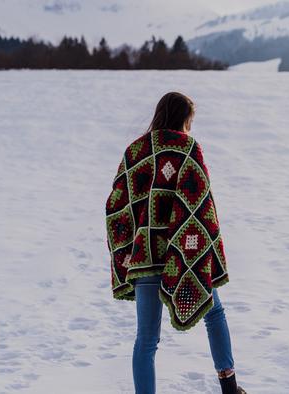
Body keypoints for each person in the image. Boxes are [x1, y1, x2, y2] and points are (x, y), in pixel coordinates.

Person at [105, 92, 245, 394]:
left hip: (145, 259)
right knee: (215, 314)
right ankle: (230, 387)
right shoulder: (188, 149)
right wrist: (196, 246)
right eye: (189, 122)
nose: (189, 129)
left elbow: (118, 205)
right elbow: (201, 204)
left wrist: (130, 248)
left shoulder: (135, 153)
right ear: (183, 119)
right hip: (185, 254)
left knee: (146, 340)